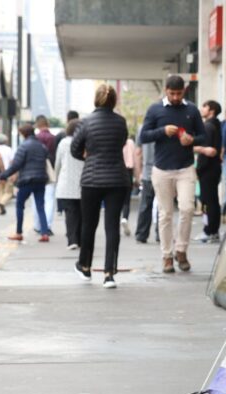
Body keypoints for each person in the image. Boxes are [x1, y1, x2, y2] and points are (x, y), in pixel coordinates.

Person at [139, 75, 206, 274]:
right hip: (161, 169)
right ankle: (167, 255)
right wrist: (162, 131)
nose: (176, 97)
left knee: (186, 209)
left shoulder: (191, 110)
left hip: (185, 168)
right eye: (172, 93)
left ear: (184, 91)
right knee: (165, 214)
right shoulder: (155, 109)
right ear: (166, 91)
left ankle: (181, 250)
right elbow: (143, 136)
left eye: (179, 93)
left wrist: (191, 139)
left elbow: (204, 135)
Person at [71, 84, 130, 289]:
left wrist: (88, 157)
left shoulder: (86, 122)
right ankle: (109, 274)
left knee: (89, 224)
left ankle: (85, 267)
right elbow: (121, 143)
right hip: (117, 179)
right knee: (112, 227)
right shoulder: (121, 122)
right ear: (113, 101)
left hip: (92, 179)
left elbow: (74, 149)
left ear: (96, 100)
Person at [0, 124, 51, 243]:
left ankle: (19, 232)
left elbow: (16, 165)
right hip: (41, 179)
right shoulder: (41, 146)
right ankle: (44, 233)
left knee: (19, 205)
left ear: (24, 134)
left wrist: (3, 175)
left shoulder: (24, 146)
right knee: (40, 206)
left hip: (27, 180)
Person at [194, 100, 223, 244]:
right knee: (213, 200)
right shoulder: (217, 125)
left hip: (208, 169)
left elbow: (207, 151)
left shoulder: (208, 127)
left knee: (208, 201)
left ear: (211, 110)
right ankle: (213, 231)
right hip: (215, 167)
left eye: (204, 106)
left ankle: (209, 231)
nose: (202, 109)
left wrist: (198, 168)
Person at [55, 120, 83, 249]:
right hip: (83, 182)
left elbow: (58, 164)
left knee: (70, 213)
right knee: (83, 212)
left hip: (66, 182)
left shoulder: (63, 143)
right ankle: (81, 239)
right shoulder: (86, 142)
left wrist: (56, 179)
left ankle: (72, 240)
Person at [134, 126, 158, 243]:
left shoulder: (142, 128)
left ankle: (141, 234)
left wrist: (138, 173)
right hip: (164, 170)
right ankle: (161, 234)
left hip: (147, 172)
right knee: (163, 205)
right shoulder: (166, 126)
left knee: (145, 204)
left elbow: (138, 152)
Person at [34, 115, 57, 236]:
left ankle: (37, 225)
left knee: (36, 200)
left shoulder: (36, 138)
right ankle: (47, 225)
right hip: (50, 171)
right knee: (49, 199)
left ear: (38, 124)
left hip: (36, 172)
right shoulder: (53, 138)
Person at [121, 136, 137, 237]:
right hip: (129, 171)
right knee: (127, 199)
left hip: (117, 170)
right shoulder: (131, 142)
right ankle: (124, 218)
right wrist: (136, 176)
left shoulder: (116, 140)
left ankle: (116, 221)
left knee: (116, 199)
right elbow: (135, 159)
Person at [0, 134, 15, 215]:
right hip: (8, 172)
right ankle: (2, 203)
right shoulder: (9, 149)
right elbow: (12, 162)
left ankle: (0, 207)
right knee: (9, 192)